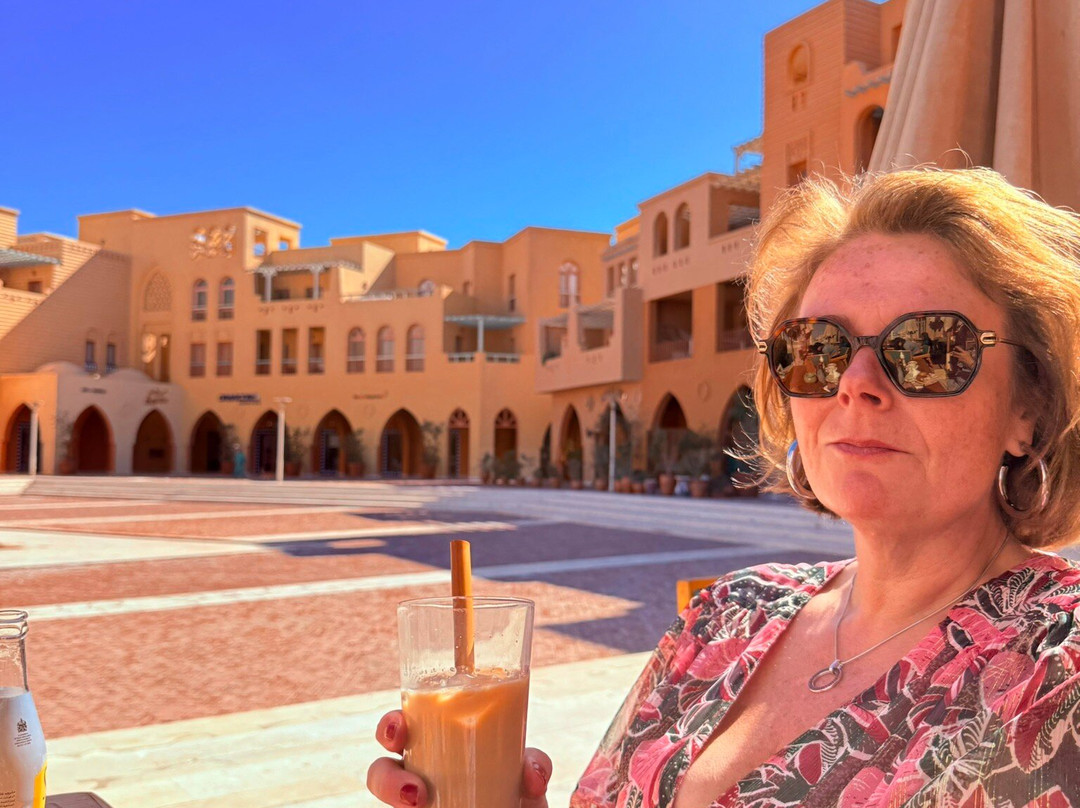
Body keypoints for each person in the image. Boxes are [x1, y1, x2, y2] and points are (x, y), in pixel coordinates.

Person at [366, 166, 1080, 807]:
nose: (856, 384)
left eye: (927, 348)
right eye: (818, 348)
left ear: (1027, 407)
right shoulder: (725, 615)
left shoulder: (1058, 661)